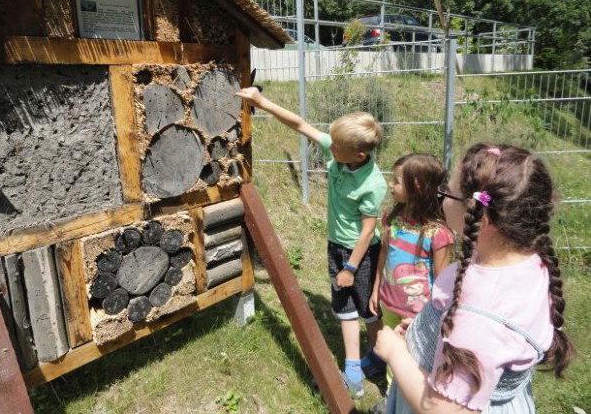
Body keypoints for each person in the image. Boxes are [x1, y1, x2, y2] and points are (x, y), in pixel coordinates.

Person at [373, 143, 573, 414]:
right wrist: (427, 329)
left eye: (448, 193)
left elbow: (444, 409)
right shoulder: (525, 262)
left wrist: (395, 353)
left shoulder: (480, 313)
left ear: (482, 216)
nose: (442, 200)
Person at [235, 87, 387, 399]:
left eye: (336, 151)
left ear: (359, 155)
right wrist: (261, 102)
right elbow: (301, 125)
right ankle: (354, 371)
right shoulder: (343, 148)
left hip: (362, 254)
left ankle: (379, 357)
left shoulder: (372, 184)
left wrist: (350, 267)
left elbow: (368, 233)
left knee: (370, 310)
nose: (329, 151)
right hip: (338, 246)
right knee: (345, 309)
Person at [362, 154, 454, 391]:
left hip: (419, 315)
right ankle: (393, 397)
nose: (390, 185)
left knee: (414, 358)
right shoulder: (393, 219)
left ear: (417, 187)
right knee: (395, 354)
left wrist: (432, 315)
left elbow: (444, 283)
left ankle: (407, 397)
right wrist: (376, 289)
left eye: (396, 181)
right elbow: (383, 255)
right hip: (390, 304)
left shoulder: (437, 233)